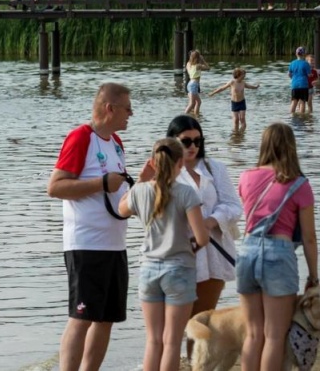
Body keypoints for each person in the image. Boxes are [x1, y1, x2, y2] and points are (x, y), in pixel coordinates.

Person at [47, 83, 134, 371]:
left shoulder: (117, 142)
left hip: (115, 244)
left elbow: (117, 194)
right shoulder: (81, 137)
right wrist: (100, 183)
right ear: (109, 108)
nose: (131, 113)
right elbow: (55, 187)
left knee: (106, 318)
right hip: (85, 244)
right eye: (127, 108)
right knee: (82, 317)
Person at [118, 138, 208, 371]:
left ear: (153, 162)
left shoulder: (139, 191)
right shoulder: (187, 193)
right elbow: (202, 238)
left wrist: (141, 178)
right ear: (180, 162)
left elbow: (121, 209)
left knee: (153, 340)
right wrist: (190, 246)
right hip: (179, 269)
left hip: (148, 269)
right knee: (171, 342)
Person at [236, 122, 317, 371]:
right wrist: (314, 275)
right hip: (278, 257)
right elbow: (309, 237)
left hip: (247, 253)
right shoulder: (299, 184)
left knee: (253, 334)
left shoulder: (246, 177)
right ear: (291, 147)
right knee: (274, 335)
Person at [164, 115, 242, 359]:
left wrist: (210, 220)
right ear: (173, 142)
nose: (193, 147)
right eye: (186, 141)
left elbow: (234, 206)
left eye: (197, 141)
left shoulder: (214, 167)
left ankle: (193, 364)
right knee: (177, 325)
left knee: (204, 321)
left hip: (215, 250)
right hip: (182, 253)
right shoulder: (165, 172)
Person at [184, 50, 209, 115]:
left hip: (190, 84)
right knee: (192, 103)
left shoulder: (189, 65)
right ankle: (184, 115)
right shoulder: (198, 66)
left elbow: (191, 64)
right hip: (194, 85)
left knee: (198, 102)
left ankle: (196, 116)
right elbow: (208, 68)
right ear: (197, 58)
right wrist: (203, 60)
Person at [290, 46, 312, 115]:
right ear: (304, 54)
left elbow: (289, 74)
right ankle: (301, 116)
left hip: (294, 85)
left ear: (296, 54)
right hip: (303, 85)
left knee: (294, 101)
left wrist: (293, 79)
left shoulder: (292, 63)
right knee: (302, 102)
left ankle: (291, 115)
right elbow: (309, 75)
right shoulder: (306, 64)